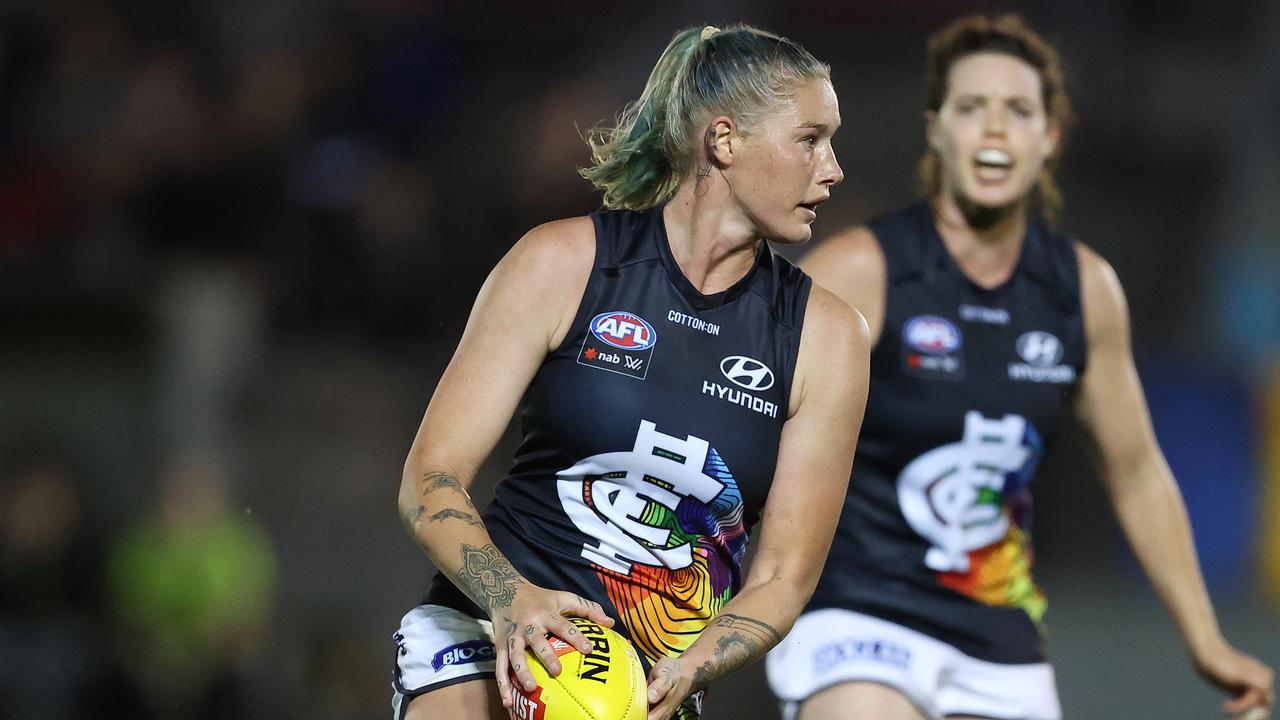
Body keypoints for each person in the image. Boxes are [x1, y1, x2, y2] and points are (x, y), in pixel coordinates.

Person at [765, 13, 1275, 720]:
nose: (995, 129)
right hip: (859, 614)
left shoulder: (1082, 290)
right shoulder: (865, 268)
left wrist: (1206, 639)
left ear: (1050, 137)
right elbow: (741, 403)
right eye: (972, 109)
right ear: (937, 131)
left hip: (996, 632)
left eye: (1019, 110)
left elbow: (1136, 472)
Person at [391, 24, 869, 720]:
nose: (833, 168)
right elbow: (428, 478)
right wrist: (512, 599)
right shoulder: (561, 262)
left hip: (647, 682)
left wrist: (687, 671)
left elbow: (783, 577)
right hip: (485, 630)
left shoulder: (827, 338)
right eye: (809, 139)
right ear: (724, 140)